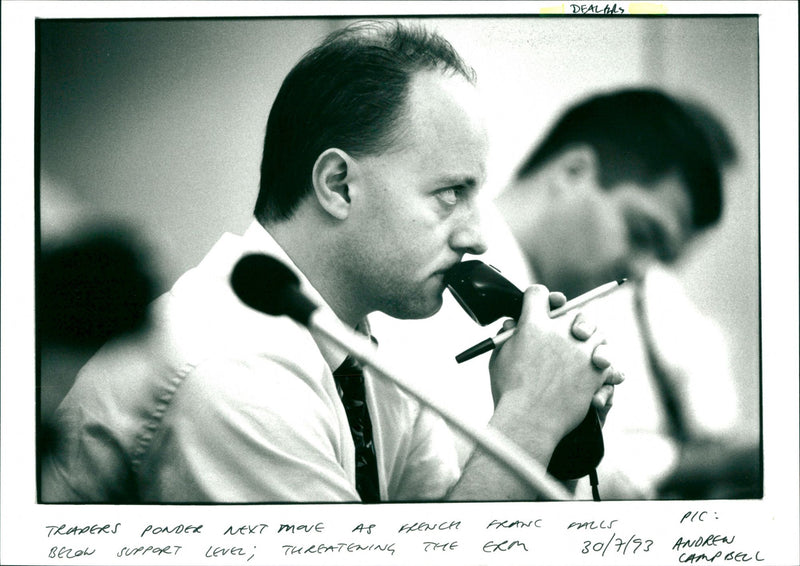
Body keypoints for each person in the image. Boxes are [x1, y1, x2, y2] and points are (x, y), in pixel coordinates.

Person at [41, 20, 622, 503]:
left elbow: (442, 530)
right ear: (339, 184)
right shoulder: (233, 370)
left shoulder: (359, 352)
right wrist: (528, 419)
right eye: (451, 193)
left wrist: (555, 442)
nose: (478, 237)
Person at [375, 88, 754, 500]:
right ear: (574, 171)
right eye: (642, 233)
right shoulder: (429, 286)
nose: (640, 271)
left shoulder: (572, 307)